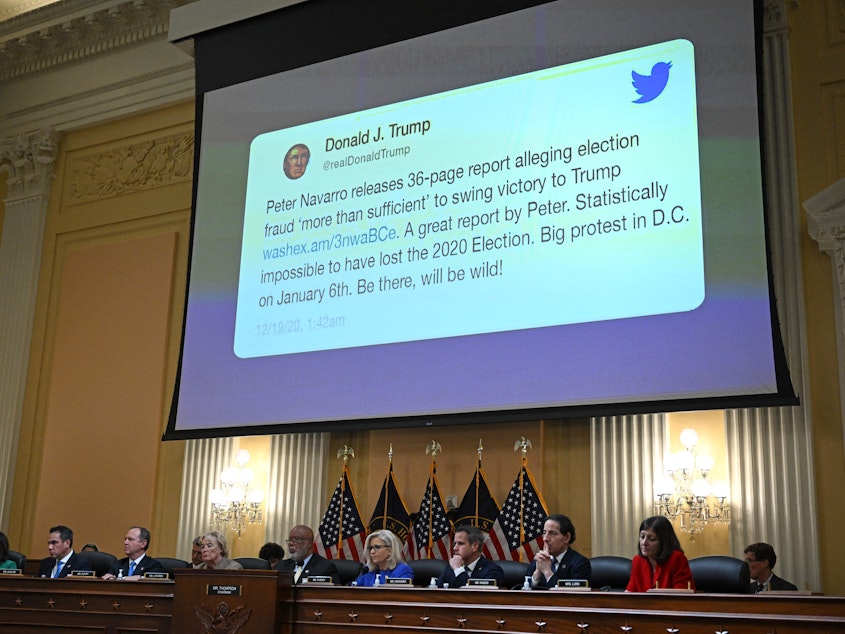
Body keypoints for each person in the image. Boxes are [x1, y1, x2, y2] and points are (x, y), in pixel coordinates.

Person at [626, 515, 695, 591]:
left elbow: (681, 597)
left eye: (652, 539)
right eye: (642, 537)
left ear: (664, 542)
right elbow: (629, 595)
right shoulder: (638, 561)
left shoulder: (676, 559)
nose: (644, 543)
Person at [528, 514, 591, 589]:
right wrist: (537, 574)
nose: (545, 538)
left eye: (552, 533)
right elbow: (522, 595)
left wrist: (547, 572)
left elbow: (571, 598)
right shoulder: (538, 561)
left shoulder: (580, 564)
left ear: (567, 538)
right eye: (544, 532)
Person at [436, 525, 503, 588]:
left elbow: (474, 596)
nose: (455, 548)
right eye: (455, 543)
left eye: (460, 543)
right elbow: (435, 591)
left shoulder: (492, 570)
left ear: (474, 546)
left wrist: (458, 570)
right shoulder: (451, 568)